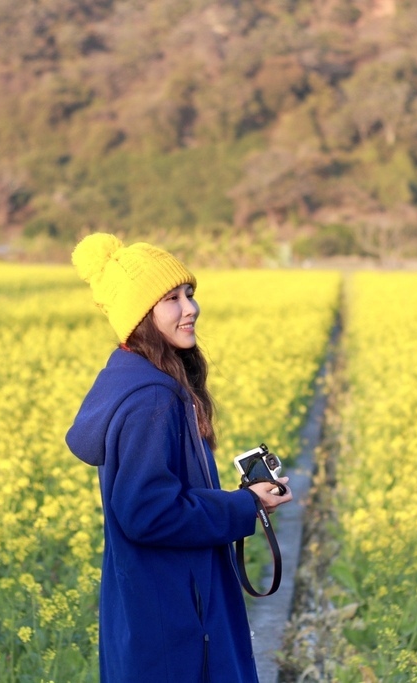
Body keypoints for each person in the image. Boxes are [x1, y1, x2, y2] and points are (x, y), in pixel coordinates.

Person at [65, 233, 293, 682]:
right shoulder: (151, 398)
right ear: (139, 316)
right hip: (179, 616)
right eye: (171, 299)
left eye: (189, 294)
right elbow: (148, 513)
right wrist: (245, 504)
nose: (190, 308)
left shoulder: (132, 379)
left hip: (156, 603)